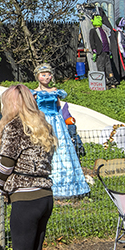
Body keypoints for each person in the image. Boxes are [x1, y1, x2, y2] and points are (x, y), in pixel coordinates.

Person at [0, 84, 58, 250]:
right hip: (45, 195)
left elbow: (6, 163)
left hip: (25, 197)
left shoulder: (14, 127)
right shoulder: (43, 125)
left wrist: (1, 185)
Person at [33, 64, 91, 198]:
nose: (46, 77)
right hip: (43, 121)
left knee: (61, 149)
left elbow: (59, 107)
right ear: (38, 77)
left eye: (48, 74)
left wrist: (63, 125)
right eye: (43, 75)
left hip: (57, 123)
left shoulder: (55, 91)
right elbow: (34, 109)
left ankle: (68, 185)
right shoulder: (34, 93)